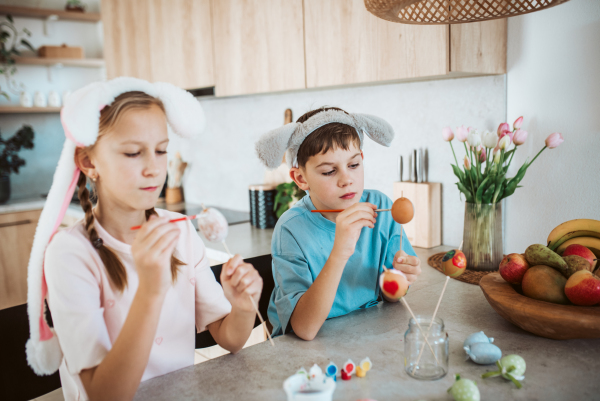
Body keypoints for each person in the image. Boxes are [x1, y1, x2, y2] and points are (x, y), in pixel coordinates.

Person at [25, 78, 263, 401]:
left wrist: (243, 306)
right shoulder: (69, 255)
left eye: (161, 150)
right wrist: (151, 291)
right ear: (89, 162)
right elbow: (104, 394)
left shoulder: (180, 230)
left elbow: (231, 337)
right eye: (134, 153)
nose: (154, 168)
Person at [255, 107, 421, 340]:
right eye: (329, 171)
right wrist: (340, 251)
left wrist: (400, 277)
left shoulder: (381, 207)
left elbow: (391, 296)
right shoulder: (290, 230)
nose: (346, 180)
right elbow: (304, 328)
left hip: (368, 337)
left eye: (353, 165)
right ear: (301, 178)